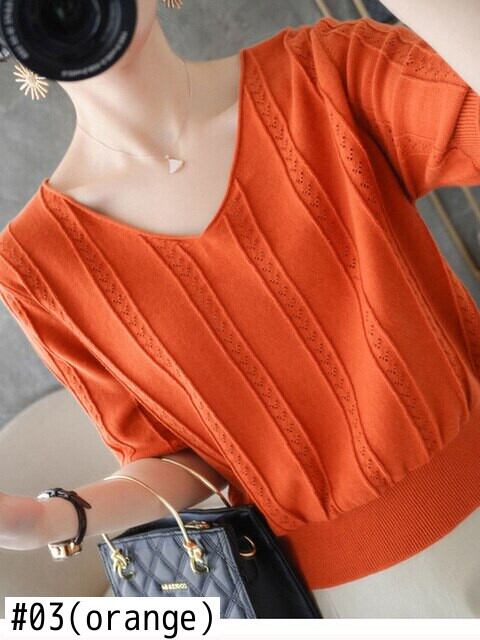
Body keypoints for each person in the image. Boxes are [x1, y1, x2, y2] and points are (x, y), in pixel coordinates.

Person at [0, 0, 479, 618]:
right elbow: (178, 458)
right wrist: (47, 520)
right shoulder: (35, 264)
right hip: (363, 600)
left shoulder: (321, 71)